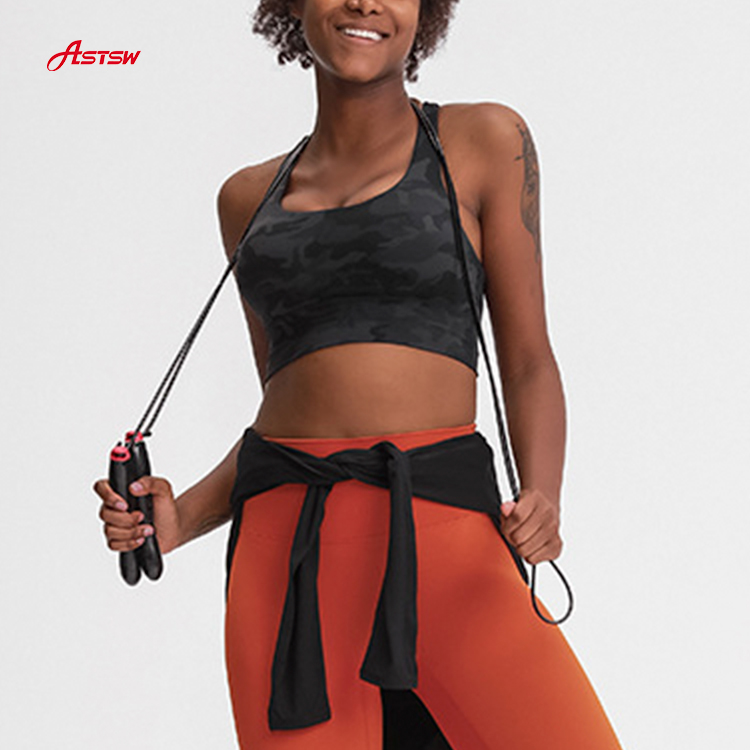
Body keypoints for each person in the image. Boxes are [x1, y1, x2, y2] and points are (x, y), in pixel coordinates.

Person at [93, 1, 624, 748]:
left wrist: (543, 492)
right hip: (287, 569)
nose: (367, 2)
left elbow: (529, 358)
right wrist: (181, 518)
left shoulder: (482, 142)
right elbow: (286, 409)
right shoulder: (247, 199)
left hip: (447, 538)